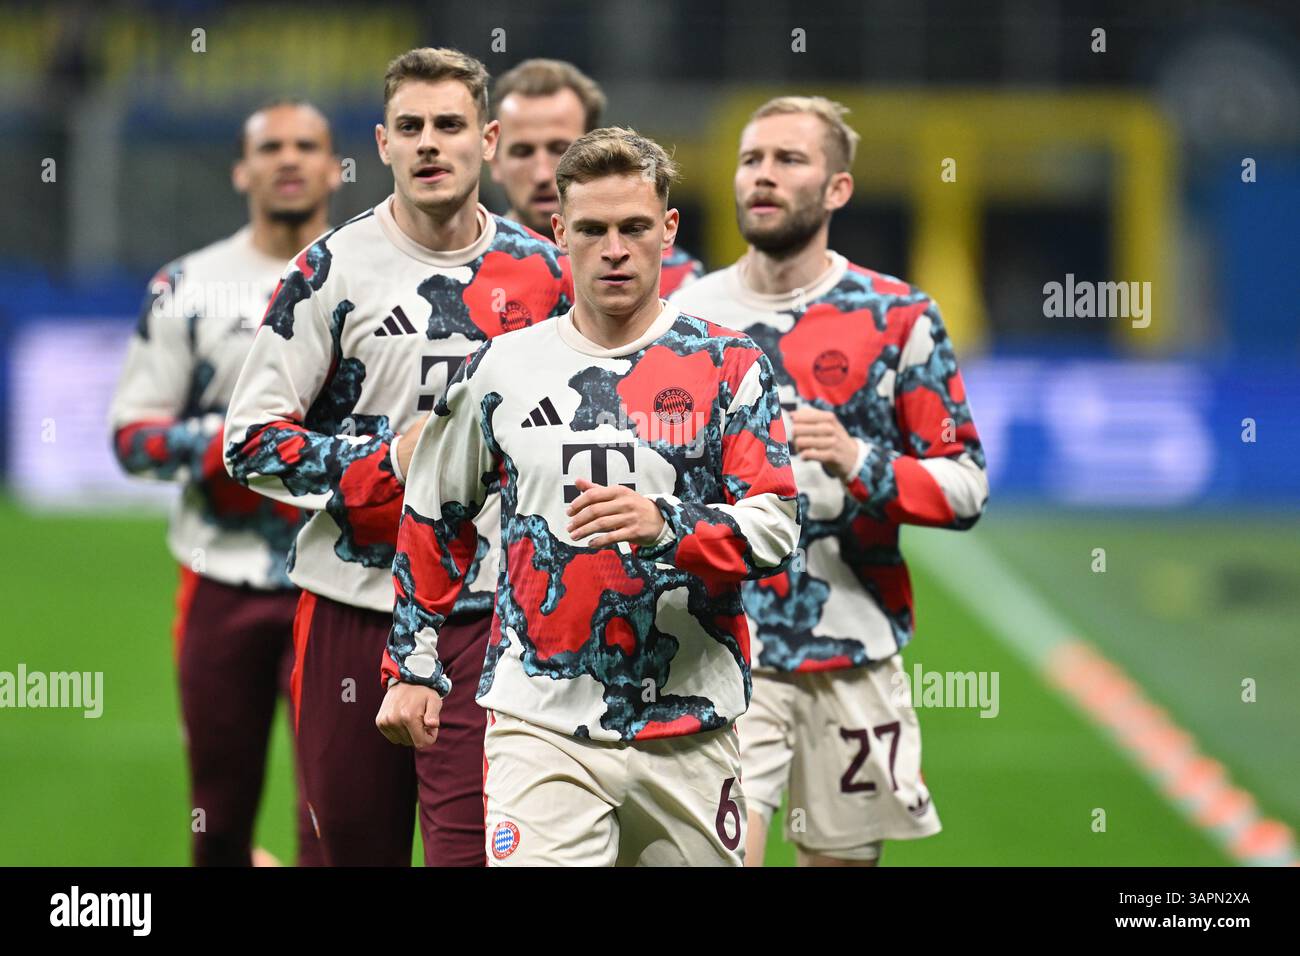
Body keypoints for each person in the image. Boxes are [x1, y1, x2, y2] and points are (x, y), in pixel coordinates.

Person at [377, 127, 801, 866]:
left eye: (635, 228)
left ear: (668, 230)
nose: (615, 249)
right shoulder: (503, 369)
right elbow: (433, 513)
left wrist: (666, 524)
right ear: (560, 231)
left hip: (690, 725)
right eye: (595, 230)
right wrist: (412, 665)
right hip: (542, 725)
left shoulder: (730, 365)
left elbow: (775, 527)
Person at [223, 48, 571, 866]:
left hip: (493, 617)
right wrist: (389, 458)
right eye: (409, 127)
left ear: (486, 139)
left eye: (449, 126)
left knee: (476, 856)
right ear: (380, 144)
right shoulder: (330, 269)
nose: (429, 144)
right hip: (353, 606)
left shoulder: (548, 275)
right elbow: (248, 443)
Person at [671, 96, 989, 867]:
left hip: (852, 651)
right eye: (752, 160)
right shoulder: (687, 316)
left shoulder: (897, 317)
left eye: (789, 160)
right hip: (722, 654)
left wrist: (860, 461)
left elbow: (966, 488)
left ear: (837, 189)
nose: (763, 177)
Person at [109, 99, 341, 866]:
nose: (288, 159)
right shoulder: (189, 286)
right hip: (222, 580)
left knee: (335, 820)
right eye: (269, 146)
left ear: (335, 166)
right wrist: (222, 446)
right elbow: (132, 438)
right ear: (241, 169)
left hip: (342, 587)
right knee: (218, 812)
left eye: (306, 144)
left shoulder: (373, 279)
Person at [488, 58, 705, 296]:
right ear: (495, 162)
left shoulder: (679, 281)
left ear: (595, 148)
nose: (541, 174)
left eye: (560, 149)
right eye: (523, 152)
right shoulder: (465, 274)